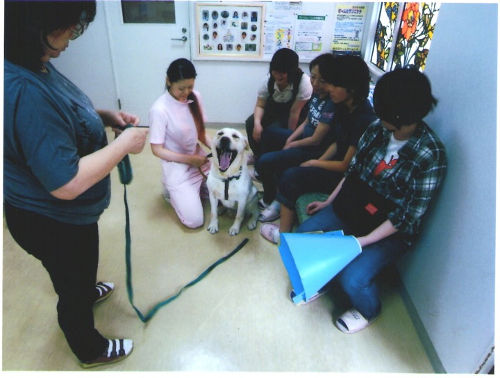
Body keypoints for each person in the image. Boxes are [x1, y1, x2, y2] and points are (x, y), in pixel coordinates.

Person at [4, 1, 149, 368]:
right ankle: (89, 347)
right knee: (71, 282)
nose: (72, 36)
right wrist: (122, 145)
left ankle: (82, 288)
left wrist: (101, 116)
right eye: (68, 28)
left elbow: (62, 114)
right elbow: (66, 183)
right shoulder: (24, 90)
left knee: (75, 271)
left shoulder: (33, 65)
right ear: (37, 26)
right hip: (52, 219)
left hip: (62, 219)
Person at [291, 68, 447, 334]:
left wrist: (360, 242)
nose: (378, 113)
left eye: (384, 110)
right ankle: (324, 277)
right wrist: (329, 202)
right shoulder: (377, 129)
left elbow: (406, 218)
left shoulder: (430, 155)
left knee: (352, 278)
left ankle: (368, 310)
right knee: (306, 233)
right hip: (357, 207)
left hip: (390, 229)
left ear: (401, 115)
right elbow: (353, 173)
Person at [260, 55, 377, 240]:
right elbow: (337, 143)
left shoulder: (364, 118)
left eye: (333, 84)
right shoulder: (344, 105)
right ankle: (277, 203)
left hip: (342, 175)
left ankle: (282, 235)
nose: (328, 88)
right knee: (277, 151)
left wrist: (314, 162)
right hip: (331, 162)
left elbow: (346, 166)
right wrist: (316, 162)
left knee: (291, 176)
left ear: (352, 88)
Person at [254, 53, 336, 221]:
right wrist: (290, 139)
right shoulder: (316, 94)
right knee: (268, 133)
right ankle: (268, 179)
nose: (315, 83)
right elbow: (307, 121)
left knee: (266, 161)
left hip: (312, 149)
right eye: (313, 77)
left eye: (322, 80)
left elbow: (315, 139)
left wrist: (292, 145)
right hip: (303, 139)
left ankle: (273, 199)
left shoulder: (330, 103)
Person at [149, 58, 211, 229]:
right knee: (195, 221)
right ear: (168, 81)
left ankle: (196, 190)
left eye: (190, 87)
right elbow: (157, 149)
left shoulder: (195, 97)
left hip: (199, 160)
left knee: (226, 192)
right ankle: (171, 192)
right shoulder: (159, 109)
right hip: (177, 166)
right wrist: (189, 160)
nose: (186, 92)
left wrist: (218, 149)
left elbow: (201, 133)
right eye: (181, 88)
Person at [245, 48, 313, 157]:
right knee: (251, 122)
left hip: (296, 115)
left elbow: (294, 112)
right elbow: (260, 105)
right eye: (275, 72)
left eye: (282, 73)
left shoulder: (304, 83)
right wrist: (257, 124)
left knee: (272, 131)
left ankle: (273, 157)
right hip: (274, 111)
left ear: (291, 71)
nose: (277, 76)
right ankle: (257, 156)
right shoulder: (268, 80)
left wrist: (289, 137)